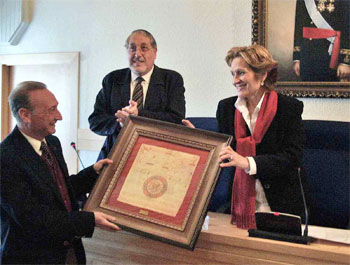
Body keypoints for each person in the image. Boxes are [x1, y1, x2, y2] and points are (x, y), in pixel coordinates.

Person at [183, 45, 306, 230]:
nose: (235, 80)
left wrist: (247, 163)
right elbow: (224, 153)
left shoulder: (288, 108)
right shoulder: (226, 108)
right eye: (232, 74)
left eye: (241, 73)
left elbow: (292, 157)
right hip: (238, 207)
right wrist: (201, 142)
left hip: (281, 206)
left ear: (263, 74)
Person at [1, 81, 121, 264]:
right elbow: (33, 219)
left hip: (68, 253)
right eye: (51, 110)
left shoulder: (52, 143)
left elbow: (58, 190)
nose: (59, 116)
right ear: (25, 115)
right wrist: (89, 220)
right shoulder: (5, 158)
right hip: (33, 258)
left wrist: (93, 173)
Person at [89, 29, 186, 160]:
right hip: (116, 156)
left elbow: (176, 120)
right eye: (132, 48)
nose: (137, 54)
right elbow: (95, 122)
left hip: (157, 156)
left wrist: (138, 116)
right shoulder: (112, 79)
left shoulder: (171, 79)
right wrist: (120, 123)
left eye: (144, 48)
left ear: (155, 52)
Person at [292, 0, 350, 81]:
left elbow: (347, 29)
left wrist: (345, 62)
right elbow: (299, 27)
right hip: (308, 54)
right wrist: (297, 59)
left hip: (332, 54)